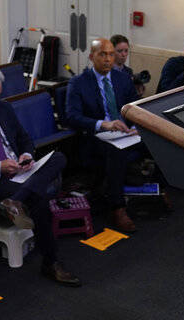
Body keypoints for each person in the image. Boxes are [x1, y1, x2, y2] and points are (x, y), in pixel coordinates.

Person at [0, 65, 81, 286]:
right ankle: (51, 262)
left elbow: (24, 139)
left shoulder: (4, 108)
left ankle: (17, 199)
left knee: (59, 157)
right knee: (38, 198)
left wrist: (26, 156)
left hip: (20, 172)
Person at [67, 38, 169, 232]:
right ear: (91, 57)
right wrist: (103, 124)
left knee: (160, 142)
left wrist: (135, 125)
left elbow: (134, 108)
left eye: (111, 55)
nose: (108, 59)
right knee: (116, 152)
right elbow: (72, 117)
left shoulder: (122, 79)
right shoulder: (78, 83)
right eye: (102, 54)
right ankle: (117, 208)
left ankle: (160, 189)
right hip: (96, 137)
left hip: (125, 133)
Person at [111, 33, 146, 98]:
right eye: (119, 51)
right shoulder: (105, 71)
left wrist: (138, 92)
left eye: (126, 51)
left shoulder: (128, 71)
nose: (124, 54)